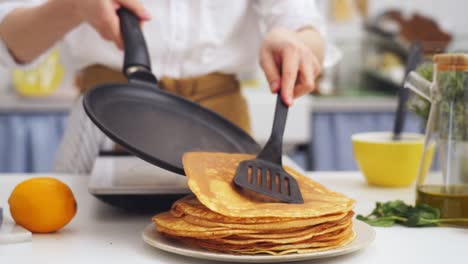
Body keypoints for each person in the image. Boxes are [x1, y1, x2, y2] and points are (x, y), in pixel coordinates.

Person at [0, 0, 339, 174]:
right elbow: (11, 42)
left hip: (220, 125)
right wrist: (74, 6)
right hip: (105, 122)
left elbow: (306, 27)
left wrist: (295, 41)